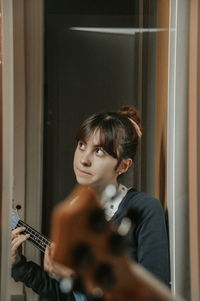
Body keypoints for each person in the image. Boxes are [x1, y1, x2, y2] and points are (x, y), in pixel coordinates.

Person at [11, 106, 170, 301]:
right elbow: (67, 296)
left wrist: (77, 278)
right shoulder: (73, 214)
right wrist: (18, 264)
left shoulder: (144, 209)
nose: (84, 159)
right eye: (82, 145)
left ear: (123, 165)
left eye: (100, 151)